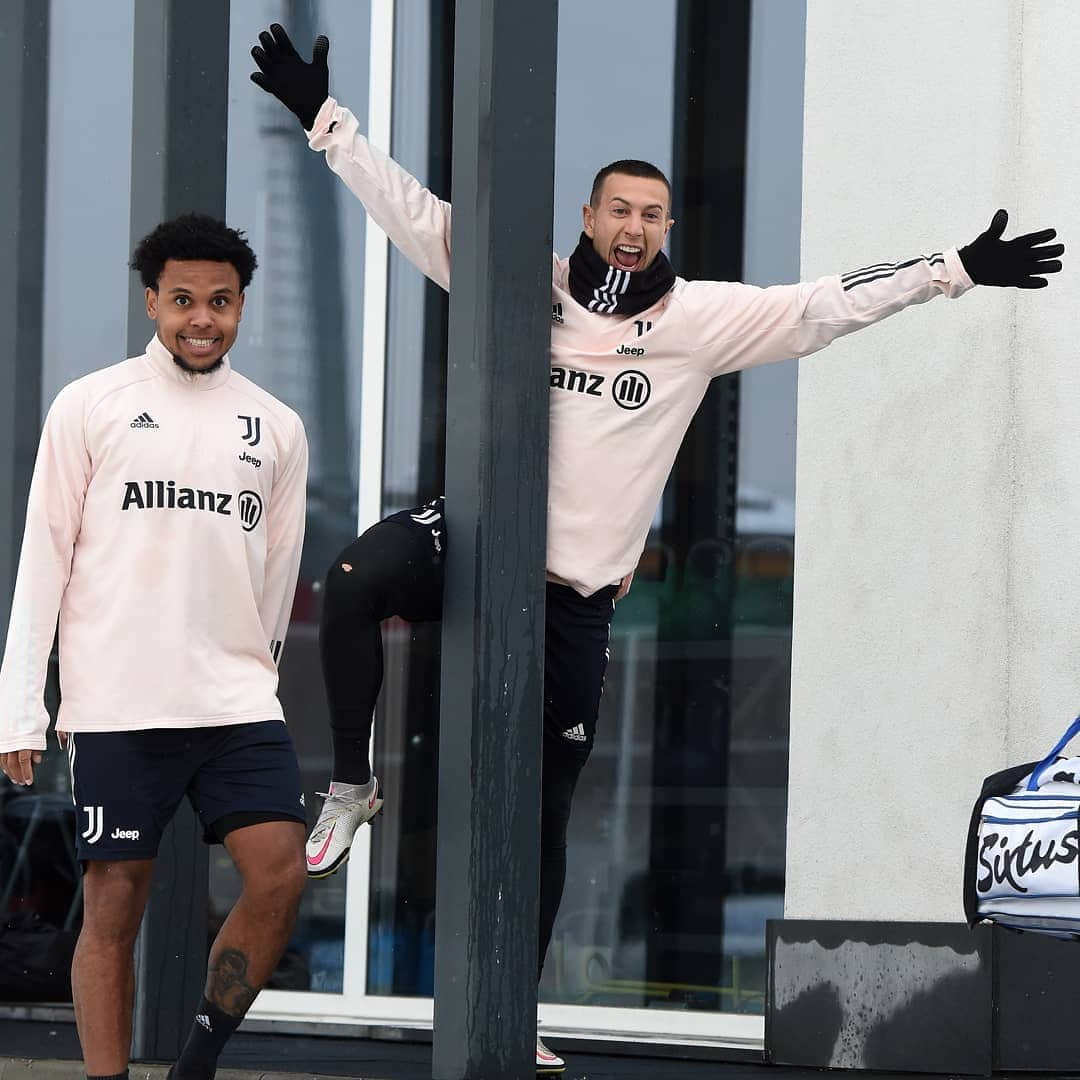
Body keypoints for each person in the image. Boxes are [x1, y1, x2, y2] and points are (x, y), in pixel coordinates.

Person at [250, 23, 1064, 1075]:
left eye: (650, 214)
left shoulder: (698, 321)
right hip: (478, 538)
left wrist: (952, 267)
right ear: (586, 218)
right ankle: (353, 786)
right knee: (356, 577)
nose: (632, 229)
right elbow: (412, 214)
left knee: (540, 818)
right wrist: (326, 122)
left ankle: (511, 1012)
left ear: (666, 224)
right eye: (616, 211)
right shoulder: (521, 283)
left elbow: (822, 306)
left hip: (575, 599)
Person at [0, 214, 310, 1080]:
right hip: (119, 703)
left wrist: (261, 679)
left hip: (238, 702)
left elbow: (277, 581)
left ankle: (195, 1066)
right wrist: (21, 703)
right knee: (114, 908)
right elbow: (42, 562)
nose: (201, 319)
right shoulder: (91, 405)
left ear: (242, 305)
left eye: (220, 301)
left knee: (280, 875)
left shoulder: (276, 426)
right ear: (152, 302)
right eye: (182, 300)